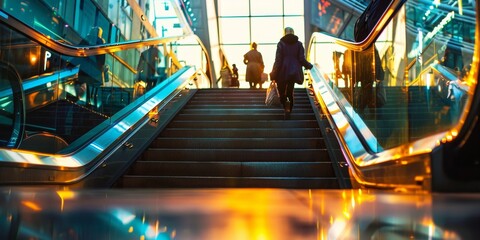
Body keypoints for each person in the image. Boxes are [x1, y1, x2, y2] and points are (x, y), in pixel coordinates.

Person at [270, 27, 313, 119]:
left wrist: (273, 72)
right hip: (294, 71)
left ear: (284, 33)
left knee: (282, 92)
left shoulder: (281, 44)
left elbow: (278, 60)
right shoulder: (299, 44)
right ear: (293, 33)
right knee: (290, 91)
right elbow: (301, 59)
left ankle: (285, 105)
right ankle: (289, 109)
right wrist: (310, 66)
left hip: (282, 70)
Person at [78, 26, 106, 108]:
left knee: (86, 84)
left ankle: (88, 101)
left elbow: (78, 51)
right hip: (95, 68)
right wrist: (100, 67)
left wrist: (71, 64)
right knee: (93, 86)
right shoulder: (100, 41)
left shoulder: (87, 39)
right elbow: (102, 57)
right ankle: (92, 103)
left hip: (85, 67)